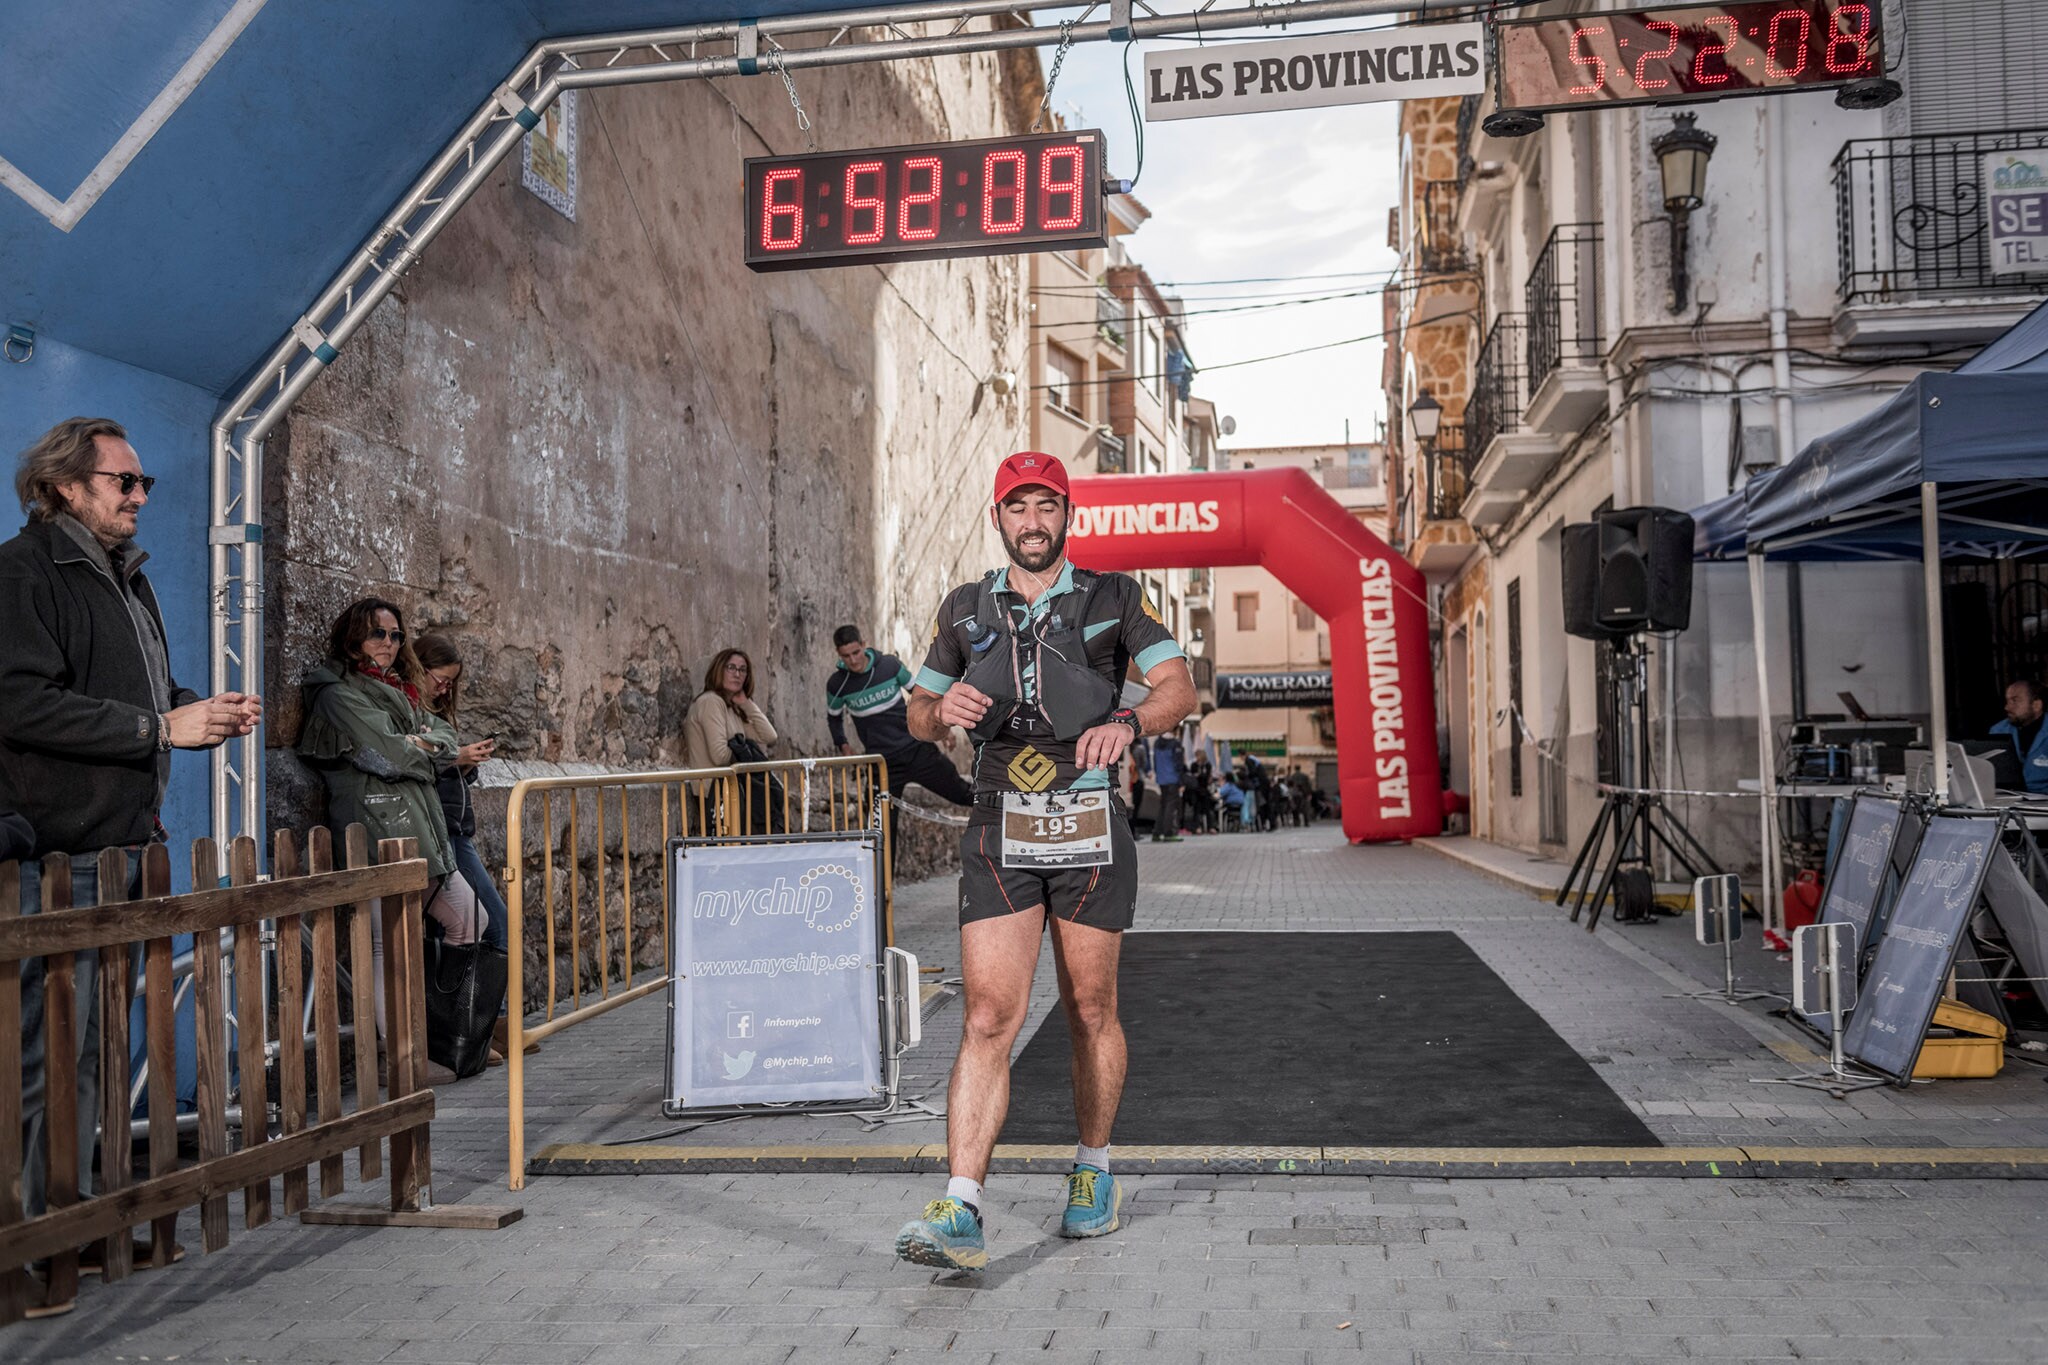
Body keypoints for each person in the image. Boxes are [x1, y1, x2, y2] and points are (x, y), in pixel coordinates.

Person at [891, 451, 1195, 1270]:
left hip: (1088, 817)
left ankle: (1094, 1172)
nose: (1033, 521)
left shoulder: (1114, 597)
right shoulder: (964, 607)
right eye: (1017, 507)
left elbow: (1177, 684)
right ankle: (961, 1205)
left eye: (1047, 506)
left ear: (1069, 514)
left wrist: (1129, 725)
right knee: (989, 1013)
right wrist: (937, 711)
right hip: (998, 824)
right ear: (998, 517)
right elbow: (915, 708)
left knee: (1089, 1008)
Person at [1, 416, 261, 1312]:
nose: (140, 496)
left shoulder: (127, 579)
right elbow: (22, 704)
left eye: (143, 483)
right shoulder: (23, 572)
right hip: (57, 857)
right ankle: (32, 1251)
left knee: (107, 1057)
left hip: (125, 851)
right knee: (46, 1061)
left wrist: (199, 708)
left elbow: (139, 697)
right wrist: (159, 726)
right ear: (67, 485)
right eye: (124, 482)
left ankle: (92, 1226)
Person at [300, 598, 485, 1083]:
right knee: (391, 943)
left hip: (419, 825)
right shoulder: (338, 693)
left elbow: (442, 732)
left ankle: (440, 1042)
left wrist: (427, 743)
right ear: (354, 637)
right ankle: (401, 1059)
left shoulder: (399, 689)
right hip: (379, 824)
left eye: (396, 635)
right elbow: (389, 754)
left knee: (470, 916)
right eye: (378, 634)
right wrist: (426, 747)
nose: (388, 643)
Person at [414, 633, 525, 1062]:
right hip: (443, 833)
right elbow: (414, 766)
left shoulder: (436, 715)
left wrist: (465, 766)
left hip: (457, 829)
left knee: (479, 926)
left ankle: (485, 1027)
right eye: (440, 680)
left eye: (450, 683)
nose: (445, 689)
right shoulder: (412, 715)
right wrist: (454, 759)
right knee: (491, 922)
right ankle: (481, 1027)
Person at [825, 624, 971, 806]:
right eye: (846, 656)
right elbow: (834, 718)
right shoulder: (837, 684)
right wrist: (844, 747)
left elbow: (922, 696)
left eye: (856, 652)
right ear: (838, 654)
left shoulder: (889, 665)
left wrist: (941, 729)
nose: (853, 660)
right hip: (881, 762)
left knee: (966, 795)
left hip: (917, 750)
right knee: (878, 828)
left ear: (863, 644)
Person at [684, 648, 777, 770]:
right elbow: (719, 756)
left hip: (734, 786)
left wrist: (746, 703)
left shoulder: (733, 709)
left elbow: (769, 736)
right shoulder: (711, 701)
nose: (737, 674)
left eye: (742, 670)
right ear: (719, 670)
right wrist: (747, 755)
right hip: (714, 786)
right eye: (731, 668)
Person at [1991, 679, 2048, 794]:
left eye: (2015, 701)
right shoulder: (1998, 730)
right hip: (2008, 799)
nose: (2007, 707)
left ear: (2036, 705)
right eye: (2007, 701)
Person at [1149, 732, 1185, 842]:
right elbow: (1179, 764)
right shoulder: (1175, 744)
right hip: (1172, 778)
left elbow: (1154, 761)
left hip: (1161, 778)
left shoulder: (1157, 743)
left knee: (1163, 806)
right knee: (1170, 807)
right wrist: (1181, 781)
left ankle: (1157, 832)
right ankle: (1168, 833)